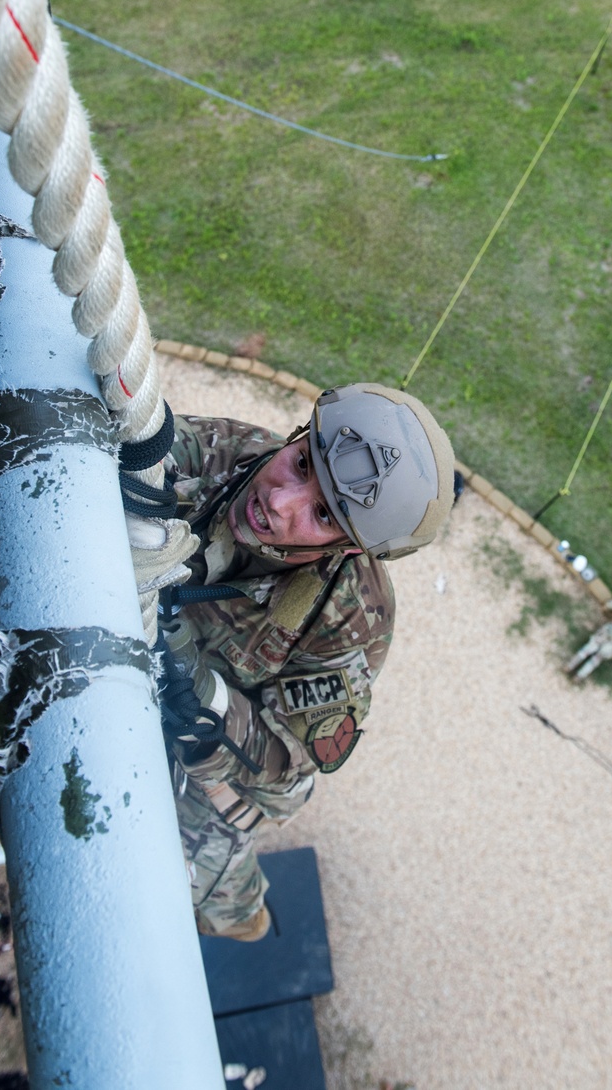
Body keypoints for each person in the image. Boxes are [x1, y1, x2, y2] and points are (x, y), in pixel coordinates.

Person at [157, 383, 454, 941]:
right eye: (299, 464)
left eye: (321, 513)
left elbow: (289, 755)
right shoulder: (230, 454)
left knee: (196, 875)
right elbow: (140, 445)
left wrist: (195, 686)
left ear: (348, 549)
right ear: (295, 438)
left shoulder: (352, 615)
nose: (279, 500)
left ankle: (244, 915)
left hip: (233, 771)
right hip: (168, 682)